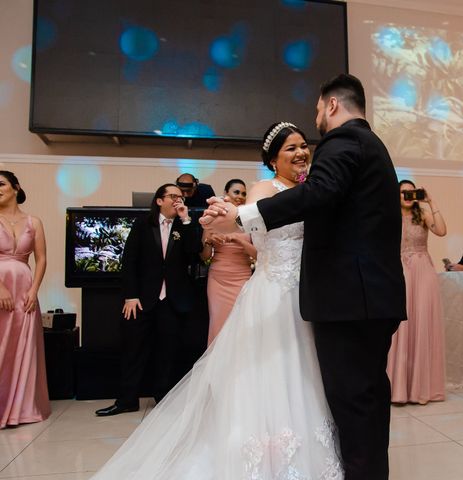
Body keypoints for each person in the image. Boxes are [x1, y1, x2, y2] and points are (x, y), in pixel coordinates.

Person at [91, 125, 342, 479]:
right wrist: (224, 214)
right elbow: (252, 221)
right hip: (274, 294)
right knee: (272, 370)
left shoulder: (313, 189)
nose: (301, 153)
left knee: (306, 371)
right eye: (290, 149)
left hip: (307, 293)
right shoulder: (263, 189)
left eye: (304, 146)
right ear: (273, 159)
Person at [203, 74, 406, 480]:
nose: (311, 132)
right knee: (364, 401)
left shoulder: (344, 141)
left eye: (316, 111)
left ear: (331, 105)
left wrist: (240, 216)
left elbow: (318, 194)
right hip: (356, 297)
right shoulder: (371, 145)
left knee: (355, 402)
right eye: (290, 148)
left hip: (349, 301)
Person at [95, 184, 200, 417]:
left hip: (173, 299)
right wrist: (130, 295)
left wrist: (186, 221)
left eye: (180, 197)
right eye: (172, 196)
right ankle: (126, 400)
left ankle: (163, 398)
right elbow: (129, 260)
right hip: (142, 299)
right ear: (159, 200)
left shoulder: (184, 226)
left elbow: (195, 254)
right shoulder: (143, 224)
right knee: (134, 350)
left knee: (168, 351)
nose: (177, 200)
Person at [387, 180, 446, 404]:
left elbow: (441, 230)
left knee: (421, 324)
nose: (407, 196)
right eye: (403, 192)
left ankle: (421, 388)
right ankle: (398, 388)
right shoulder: (389, 215)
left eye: (411, 192)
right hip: (399, 271)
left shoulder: (423, 215)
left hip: (423, 271)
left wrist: (431, 202)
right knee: (400, 327)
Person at [0, 171, 50, 429]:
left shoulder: (33, 222)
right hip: (1, 289)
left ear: (16, 188)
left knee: (22, 346)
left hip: (25, 290)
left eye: (1, 184)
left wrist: (34, 290)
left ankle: (22, 408)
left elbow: (40, 258)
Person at [201, 179, 256, 344]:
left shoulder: (250, 219)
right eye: (236, 192)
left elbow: (258, 254)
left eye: (244, 193)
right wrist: (209, 241)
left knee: (241, 324)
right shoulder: (212, 216)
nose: (240, 196)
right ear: (226, 194)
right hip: (218, 279)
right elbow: (204, 257)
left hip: (242, 278)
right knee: (219, 323)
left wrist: (240, 241)